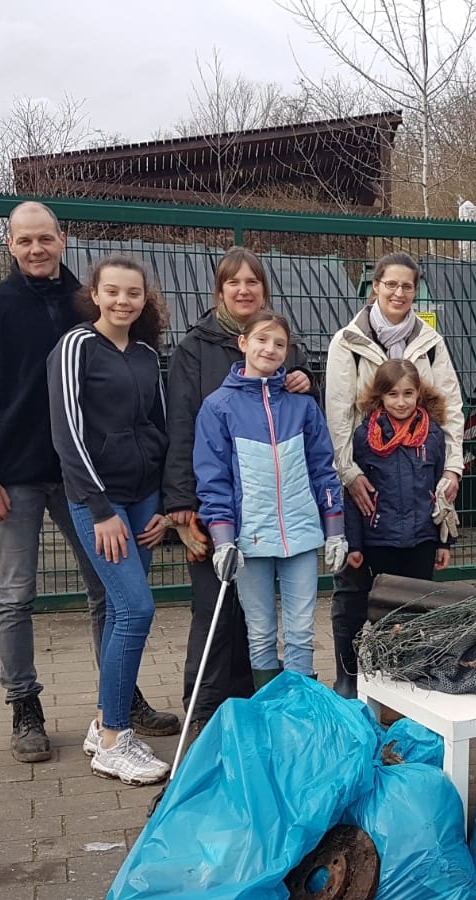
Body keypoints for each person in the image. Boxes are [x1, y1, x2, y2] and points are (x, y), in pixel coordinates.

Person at [0, 202, 177, 765]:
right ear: (10, 246)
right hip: (17, 476)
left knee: (111, 595)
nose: (36, 248)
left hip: (86, 479)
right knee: (15, 595)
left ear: (62, 240)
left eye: (45, 237)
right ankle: (25, 706)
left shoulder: (90, 305)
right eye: (25, 240)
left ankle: (116, 701)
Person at [162, 248, 318, 743]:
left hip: (276, 513)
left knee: (261, 619)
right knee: (215, 608)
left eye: (254, 281)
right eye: (235, 282)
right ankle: (204, 709)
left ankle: (257, 705)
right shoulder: (194, 347)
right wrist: (182, 504)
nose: (245, 289)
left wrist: (303, 378)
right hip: (214, 504)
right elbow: (182, 425)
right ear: (220, 290)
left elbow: (297, 406)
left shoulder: (283, 345)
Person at [47, 256, 172, 785]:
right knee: (136, 609)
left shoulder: (146, 353)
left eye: (134, 293)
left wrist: (164, 504)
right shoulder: (75, 347)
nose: (124, 301)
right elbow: (67, 433)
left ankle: (104, 725)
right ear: (94, 295)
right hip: (99, 503)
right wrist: (100, 510)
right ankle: (118, 741)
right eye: (113, 292)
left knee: (121, 613)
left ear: (146, 299)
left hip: (144, 500)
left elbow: (159, 426)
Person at [324, 252, 464, 697]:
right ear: (375, 288)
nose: (399, 293)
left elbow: (451, 410)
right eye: (391, 285)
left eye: (407, 286)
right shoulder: (346, 341)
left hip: (419, 483)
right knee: (353, 591)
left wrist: (452, 470)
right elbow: (338, 413)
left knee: (413, 599)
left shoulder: (431, 341)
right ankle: (350, 676)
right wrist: (347, 473)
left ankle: (405, 679)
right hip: (365, 478)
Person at [197, 310, 347, 686]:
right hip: (249, 541)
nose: (270, 348)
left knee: (301, 633)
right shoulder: (218, 407)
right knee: (261, 633)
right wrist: (223, 541)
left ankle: (299, 708)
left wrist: (335, 529)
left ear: (288, 352)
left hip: (300, 536)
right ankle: (270, 710)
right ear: (243, 343)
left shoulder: (303, 405)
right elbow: (213, 479)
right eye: (262, 339)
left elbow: (323, 469)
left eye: (279, 343)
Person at [344, 360, 456, 587]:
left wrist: (445, 542)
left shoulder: (433, 435)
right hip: (379, 539)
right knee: (384, 605)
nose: (401, 402)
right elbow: (352, 497)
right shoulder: (364, 437)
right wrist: (354, 544)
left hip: (423, 539)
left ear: (418, 394)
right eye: (393, 394)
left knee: (417, 606)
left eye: (408, 393)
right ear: (381, 396)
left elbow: (444, 494)